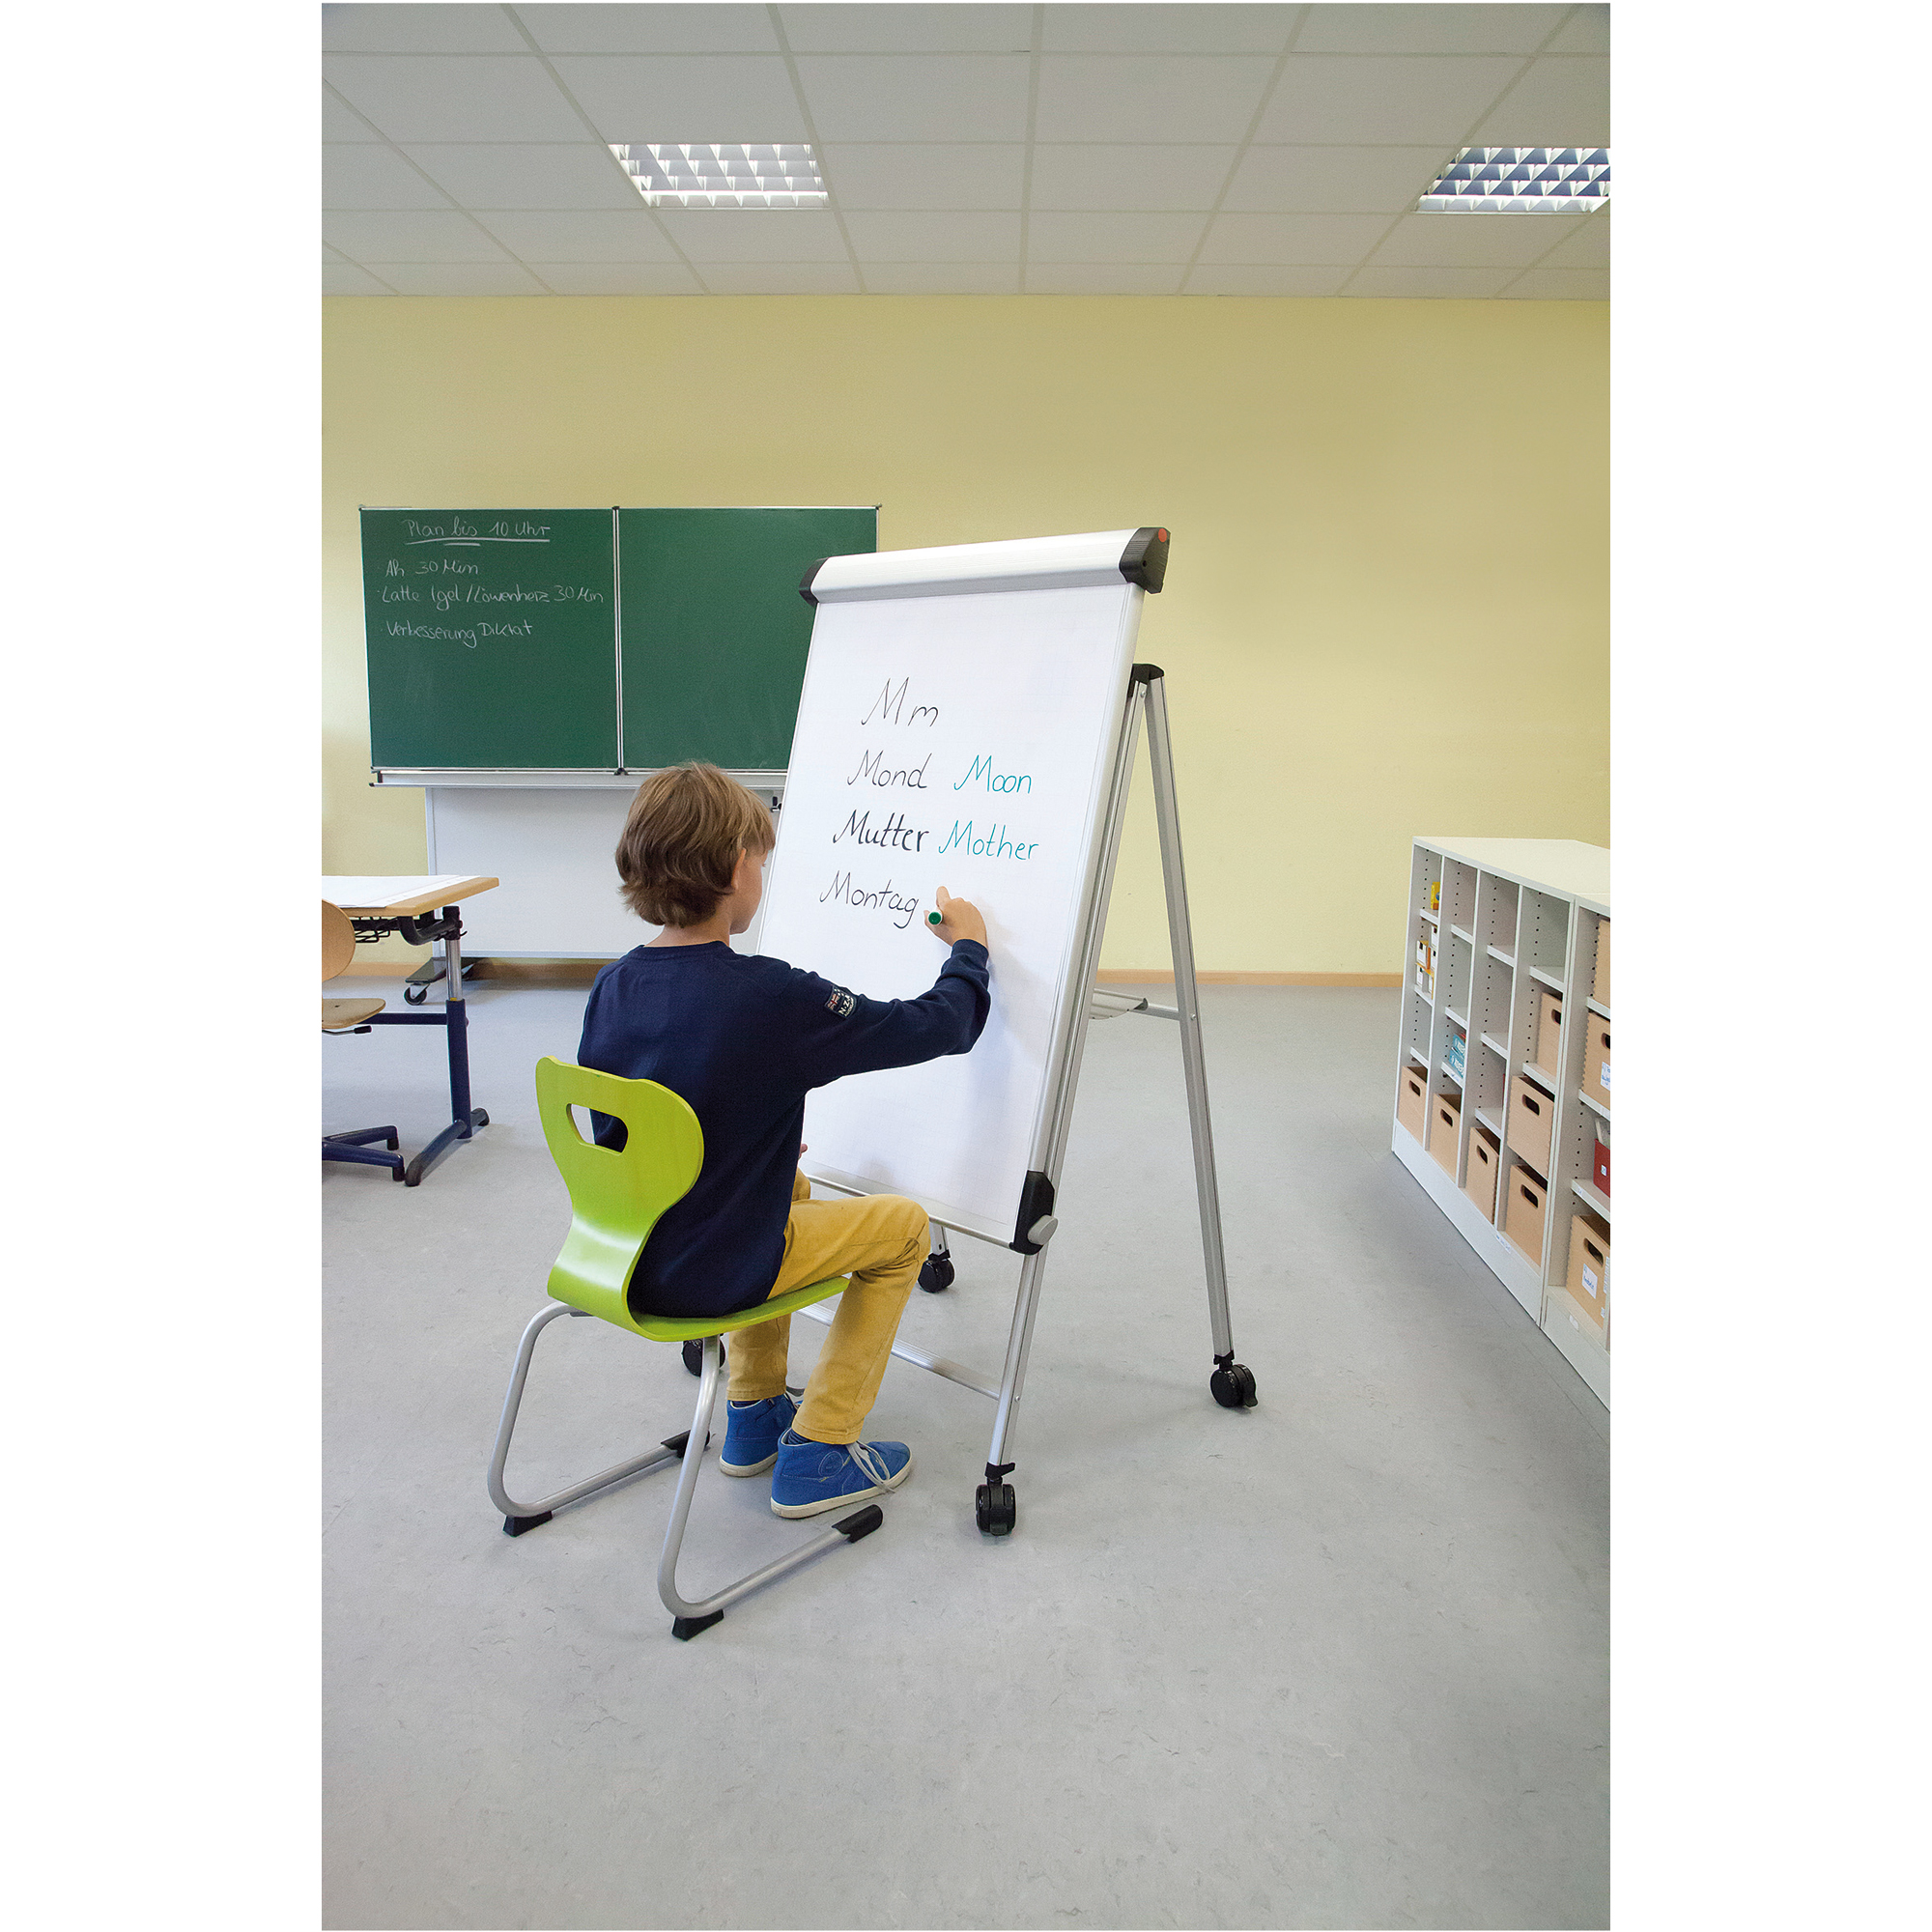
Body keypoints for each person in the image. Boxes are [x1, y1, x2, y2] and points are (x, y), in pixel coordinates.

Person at [576, 762, 990, 1519]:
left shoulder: (614, 985)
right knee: (904, 1229)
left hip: (625, 1256)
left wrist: (746, 1146)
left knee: (788, 1186)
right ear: (738, 867)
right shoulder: (770, 997)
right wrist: (969, 951)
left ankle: (754, 1411)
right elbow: (939, 1026)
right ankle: (822, 1449)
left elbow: (632, 1132)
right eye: (761, 863)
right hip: (712, 1270)